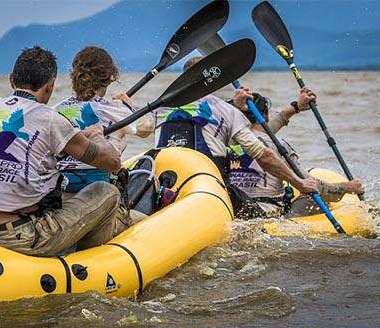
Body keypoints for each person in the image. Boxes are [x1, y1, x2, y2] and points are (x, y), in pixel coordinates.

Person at [0, 46, 132, 256]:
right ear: (50, 86)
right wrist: (96, 133)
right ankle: (90, 261)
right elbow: (112, 162)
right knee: (107, 192)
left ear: (12, 80)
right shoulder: (51, 119)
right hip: (20, 236)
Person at [152, 56, 319, 215]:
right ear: (214, 80)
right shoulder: (226, 111)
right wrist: (300, 183)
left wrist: (294, 108)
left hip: (168, 185)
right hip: (209, 191)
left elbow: (138, 128)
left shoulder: (159, 109)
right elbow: (263, 152)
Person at [227, 86, 365, 217]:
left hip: (233, 207)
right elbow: (311, 185)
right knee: (312, 196)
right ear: (266, 115)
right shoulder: (279, 147)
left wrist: (295, 107)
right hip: (268, 213)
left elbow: (260, 133)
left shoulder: (226, 140)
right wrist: (347, 187)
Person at [52, 46, 154, 193]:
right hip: (96, 187)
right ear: (111, 76)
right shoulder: (112, 109)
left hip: (60, 185)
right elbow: (146, 129)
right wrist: (130, 105)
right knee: (120, 135)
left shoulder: (56, 109)